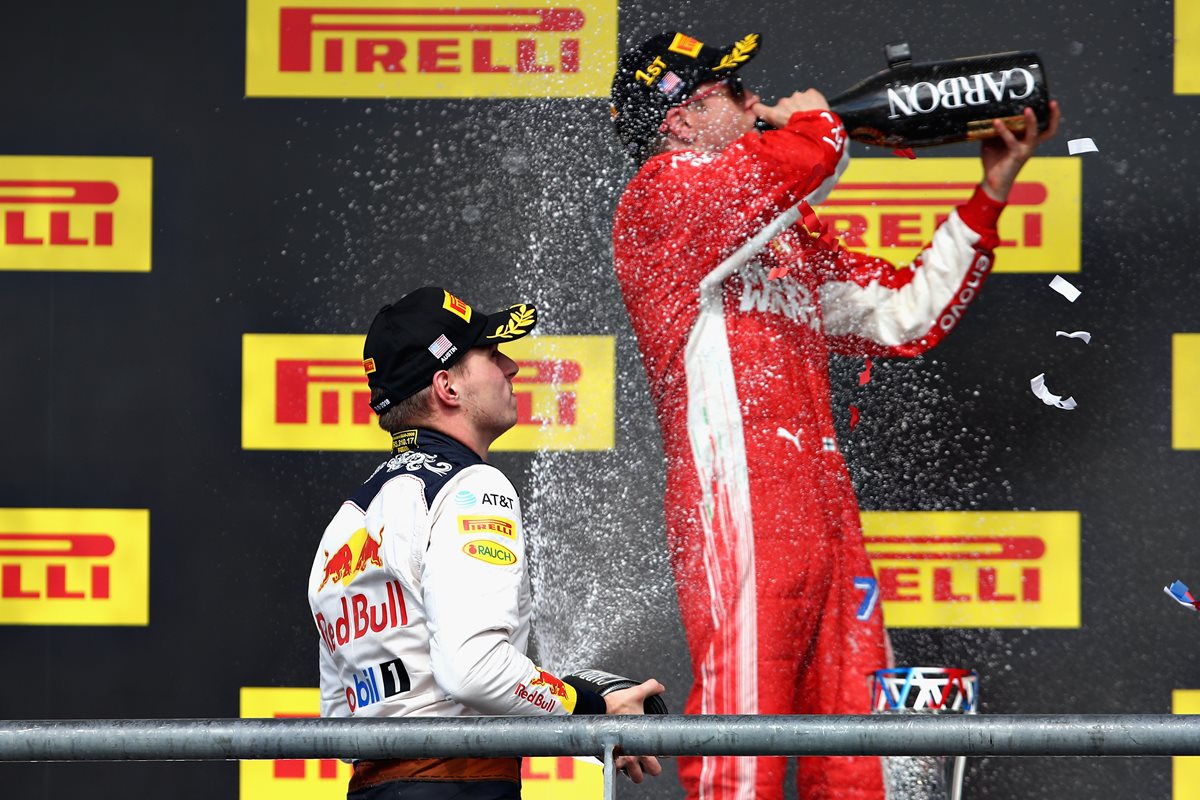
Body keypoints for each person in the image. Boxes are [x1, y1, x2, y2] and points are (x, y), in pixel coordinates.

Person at [608, 31, 1060, 800]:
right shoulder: (661, 196)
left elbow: (903, 317)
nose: (754, 99)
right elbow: (801, 160)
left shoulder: (784, 235)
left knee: (856, 753)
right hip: (737, 500)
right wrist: (821, 120)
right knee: (739, 737)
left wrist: (991, 189)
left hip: (824, 509)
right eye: (731, 89)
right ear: (677, 121)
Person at [307, 286, 665, 799]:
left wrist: (567, 702)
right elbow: (473, 670)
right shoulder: (472, 487)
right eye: (492, 354)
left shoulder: (346, 522)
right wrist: (596, 710)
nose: (512, 367)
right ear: (447, 387)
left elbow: (342, 725)